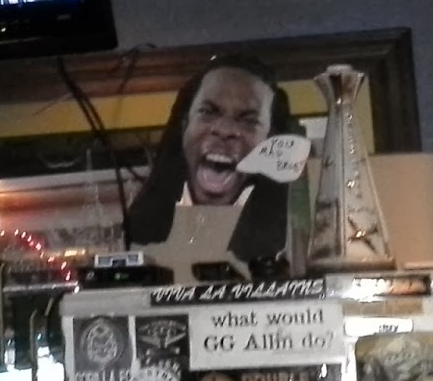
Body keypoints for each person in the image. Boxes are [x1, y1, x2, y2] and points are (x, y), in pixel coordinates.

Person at [124, 55, 302, 264]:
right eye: (208, 112)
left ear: (270, 140)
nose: (224, 130)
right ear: (184, 125)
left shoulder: (291, 238)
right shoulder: (142, 235)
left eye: (249, 121)